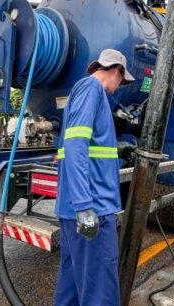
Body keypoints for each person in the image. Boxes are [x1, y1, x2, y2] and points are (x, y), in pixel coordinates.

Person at [54, 49, 135, 306]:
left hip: (75, 209)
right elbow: (77, 145)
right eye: (121, 82)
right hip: (93, 208)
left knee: (72, 287)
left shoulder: (84, 91)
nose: (119, 88)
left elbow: (80, 148)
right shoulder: (92, 89)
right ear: (117, 71)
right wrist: (84, 207)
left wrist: (117, 151)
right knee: (100, 291)